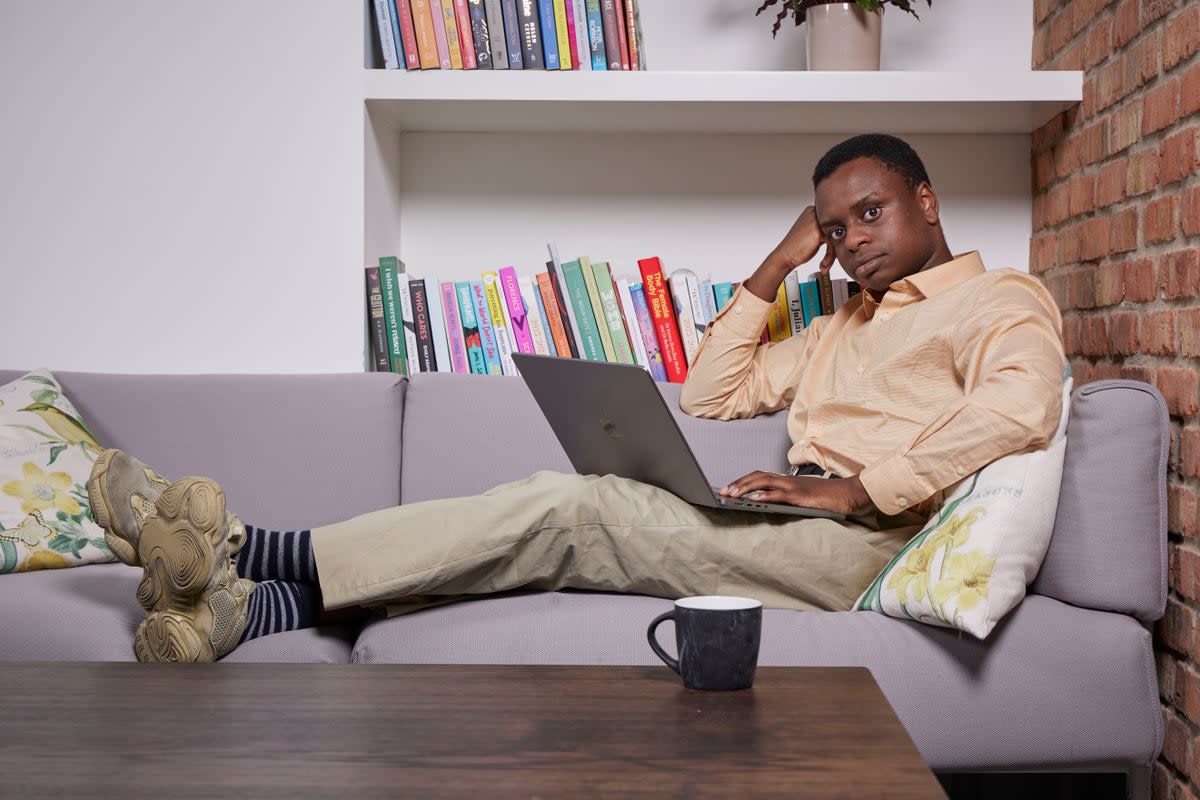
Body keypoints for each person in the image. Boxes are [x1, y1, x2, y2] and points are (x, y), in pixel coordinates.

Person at [89, 133, 1068, 662]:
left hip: (863, 545)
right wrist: (778, 263)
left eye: (870, 211)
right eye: (832, 225)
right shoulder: (836, 325)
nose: (852, 237)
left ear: (927, 201)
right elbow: (710, 387)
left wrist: (859, 489)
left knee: (575, 506)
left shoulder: (998, 298)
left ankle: (246, 547)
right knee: (542, 539)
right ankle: (243, 612)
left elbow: (1022, 407)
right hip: (788, 523)